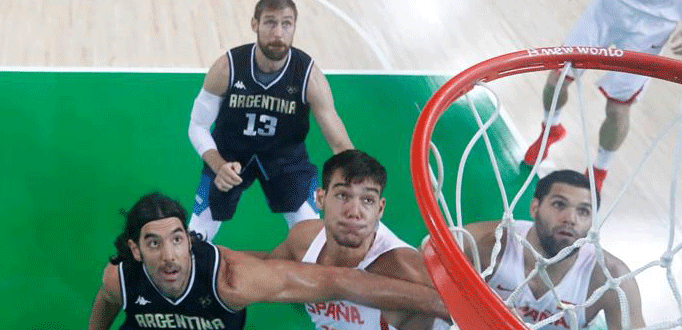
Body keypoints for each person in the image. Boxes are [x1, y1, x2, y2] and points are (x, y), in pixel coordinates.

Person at [88, 192, 449, 330]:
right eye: (153, 244)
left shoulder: (231, 280)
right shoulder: (120, 279)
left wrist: (441, 303)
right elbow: (105, 301)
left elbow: (339, 281)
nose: (169, 256)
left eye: (177, 240)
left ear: (188, 240)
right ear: (135, 251)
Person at [187, 0, 354, 241]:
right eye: (270, 23)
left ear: (295, 27)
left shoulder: (309, 76)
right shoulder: (227, 67)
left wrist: (353, 188)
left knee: (313, 244)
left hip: (285, 160)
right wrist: (217, 164)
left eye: (286, 24)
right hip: (228, 158)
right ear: (255, 24)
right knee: (195, 241)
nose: (278, 33)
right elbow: (197, 125)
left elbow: (340, 145)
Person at [523, 0, 682, 192]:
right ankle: (550, 129)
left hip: (654, 26)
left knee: (617, 106)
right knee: (557, 80)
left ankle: (599, 170)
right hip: (606, 9)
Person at [435, 170, 644, 329]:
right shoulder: (487, 241)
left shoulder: (611, 278)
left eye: (583, 211)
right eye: (559, 205)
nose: (570, 219)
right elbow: (418, 266)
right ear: (535, 208)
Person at [266, 150, 440, 329]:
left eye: (368, 200)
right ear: (320, 198)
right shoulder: (305, 240)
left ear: (380, 209)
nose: (354, 212)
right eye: (343, 195)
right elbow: (266, 267)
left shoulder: (406, 271)